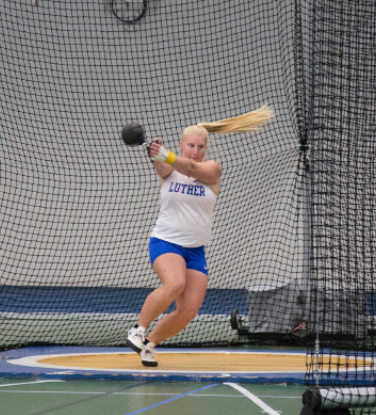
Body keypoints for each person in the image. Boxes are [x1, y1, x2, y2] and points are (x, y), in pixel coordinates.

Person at [126, 105, 274, 367]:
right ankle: (137, 329)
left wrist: (168, 155)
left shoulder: (212, 170)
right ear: (181, 145)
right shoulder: (168, 169)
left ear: (206, 149)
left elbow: (193, 170)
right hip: (166, 241)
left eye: (200, 147)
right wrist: (157, 155)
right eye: (190, 146)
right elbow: (163, 166)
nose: (195, 152)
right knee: (174, 284)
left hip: (195, 250)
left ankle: (150, 344)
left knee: (189, 311)